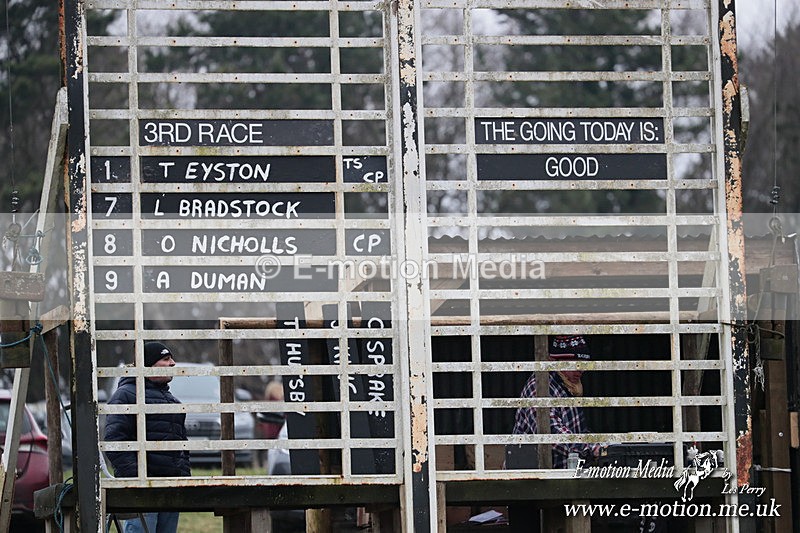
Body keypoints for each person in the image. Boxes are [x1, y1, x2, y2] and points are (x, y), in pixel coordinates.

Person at [104, 341, 191, 533]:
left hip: (169, 487)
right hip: (143, 489)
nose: (173, 363)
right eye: (166, 359)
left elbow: (181, 443)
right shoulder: (126, 395)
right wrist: (137, 478)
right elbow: (114, 441)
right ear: (149, 365)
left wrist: (182, 478)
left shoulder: (172, 401)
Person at [512, 334, 601, 468]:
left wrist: (601, 444)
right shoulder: (539, 387)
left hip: (564, 472)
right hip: (534, 478)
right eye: (574, 364)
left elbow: (577, 431)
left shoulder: (569, 385)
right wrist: (592, 448)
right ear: (556, 361)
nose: (580, 370)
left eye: (583, 364)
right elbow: (552, 432)